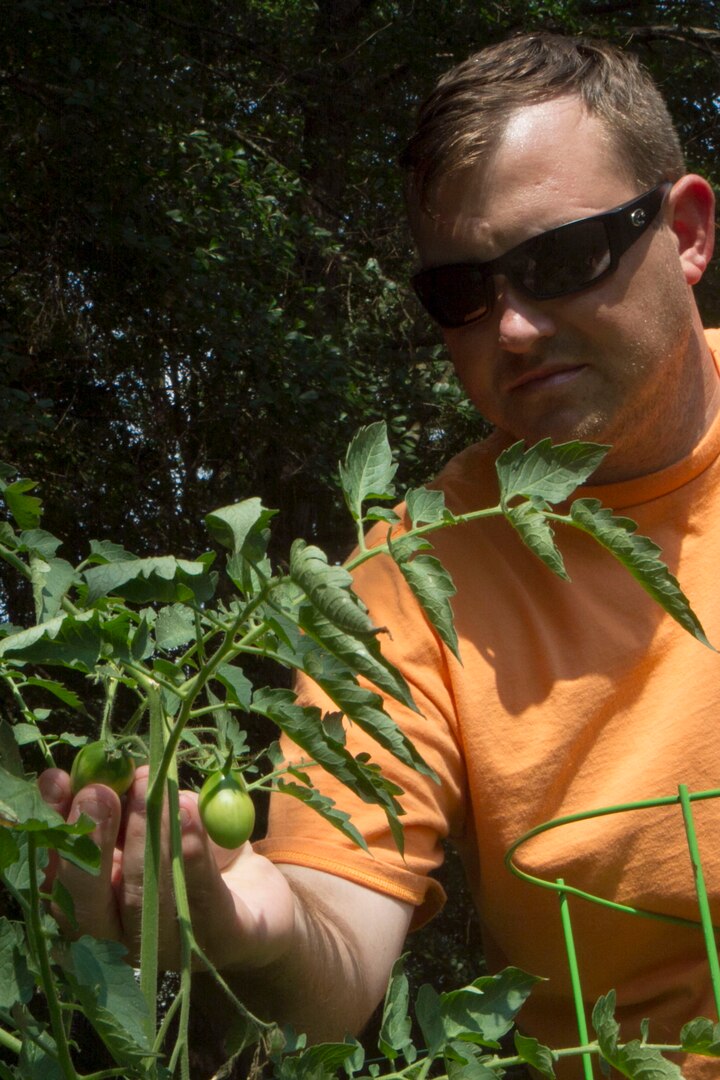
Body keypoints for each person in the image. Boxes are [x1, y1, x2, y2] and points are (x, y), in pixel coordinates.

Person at [39, 32, 720, 1079]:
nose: (516, 325)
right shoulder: (406, 576)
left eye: (560, 259)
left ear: (685, 232)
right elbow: (336, 958)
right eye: (463, 292)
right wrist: (248, 922)